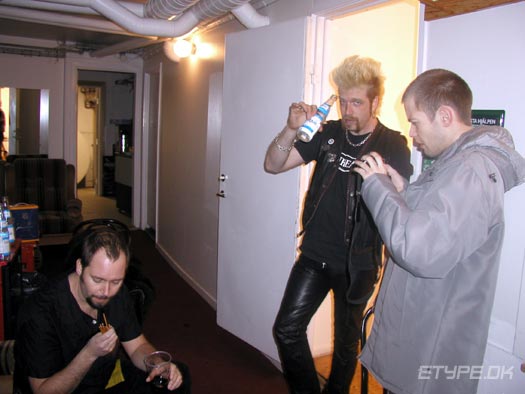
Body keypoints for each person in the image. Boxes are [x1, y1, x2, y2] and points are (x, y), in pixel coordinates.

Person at [353, 68, 525, 394]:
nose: (411, 132)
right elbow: (436, 225)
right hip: (419, 342)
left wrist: (377, 187)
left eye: (415, 121)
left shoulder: (473, 171)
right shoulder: (456, 163)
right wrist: (403, 191)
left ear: (445, 116)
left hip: (430, 357)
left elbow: (419, 249)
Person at [264, 55, 413, 394]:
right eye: (343, 101)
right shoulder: (329, 133)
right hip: (314, 256)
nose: (347, 109)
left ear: (375, 102)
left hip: (357, 263)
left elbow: (404, 198)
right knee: (286, 329)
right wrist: (290, 128)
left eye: (356, 102)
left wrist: (385, 176)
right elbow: (273, 164)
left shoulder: (392, 143)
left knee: (346, 347)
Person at [14, 226, 191, 394]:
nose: (106, 292)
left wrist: (156, 364)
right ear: (79, 267)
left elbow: (138, 346)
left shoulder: (118, 295)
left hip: (105, 379)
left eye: (115, 281)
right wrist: (89, 354)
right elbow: (43, 391)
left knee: (177, 378)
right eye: (97, 280)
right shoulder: (40, 313)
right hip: (66, 388)